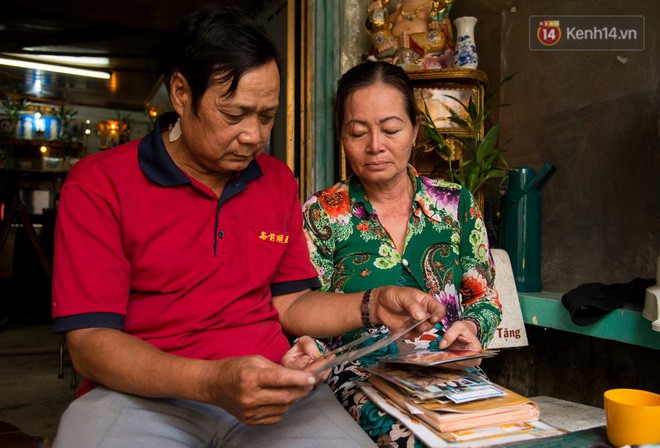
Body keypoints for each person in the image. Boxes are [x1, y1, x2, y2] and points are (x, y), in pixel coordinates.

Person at [50, 7, 443, 448]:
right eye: (235, 115)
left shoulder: (275, 181)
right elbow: (89, 343)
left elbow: (291, 304)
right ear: (181, 93)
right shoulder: (100, 183)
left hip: (273, 388)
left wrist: (373, 304)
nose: (254, 136)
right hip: (140, 395)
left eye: (266, 116)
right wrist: (212, 381)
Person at [302, 60, 502, 447]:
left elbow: (482, 295)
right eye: (357, 132)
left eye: (391, 129)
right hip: (360, 375)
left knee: (495, 434)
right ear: (342, 137)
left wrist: (471, 329)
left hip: (449, 369)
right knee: (413, 440)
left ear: (415, 131)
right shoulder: (322, 213)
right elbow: (305, 307)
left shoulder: (454, 203)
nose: (375, 146)